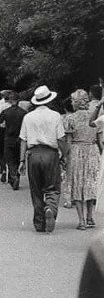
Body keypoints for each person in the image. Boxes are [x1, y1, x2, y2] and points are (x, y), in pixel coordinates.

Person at [18, 85, 69, 233]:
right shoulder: (55, 116)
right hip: (50, 153)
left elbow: (23, 140)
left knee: (36, 189)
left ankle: (39, 222)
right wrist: (64, 155)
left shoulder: (28, 117)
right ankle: (50, 209)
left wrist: (21, 161)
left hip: (33, 154)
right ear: (49, 100)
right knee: (52, 186)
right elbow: (61, 138)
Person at [65, 90, 100, 230]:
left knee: (77, 183)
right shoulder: (95, 117)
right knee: (90, 183)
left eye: (73, 100)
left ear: (78, 103)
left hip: (76, 150)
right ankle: (90, 216)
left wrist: (65, 156)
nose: (72, 103)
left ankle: (81, 221)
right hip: (92, 149)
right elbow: (99, 137)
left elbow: (68, 141)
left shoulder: (70, 118)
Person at [0, 91, 27, 190]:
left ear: (10, 101)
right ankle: (16, 177)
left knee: (9, 159)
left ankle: (13, 176)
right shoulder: (23, 113)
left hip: (8, 137)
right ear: (18, 100)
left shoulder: (6, 112)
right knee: (18, 158)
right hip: (20, 138)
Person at [0, 90, 13, 182]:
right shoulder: (13, 105)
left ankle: (3, 169)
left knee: (1, 153)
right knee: (11, 152)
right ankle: (11, 172)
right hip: (12, 130)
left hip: (1, 129)